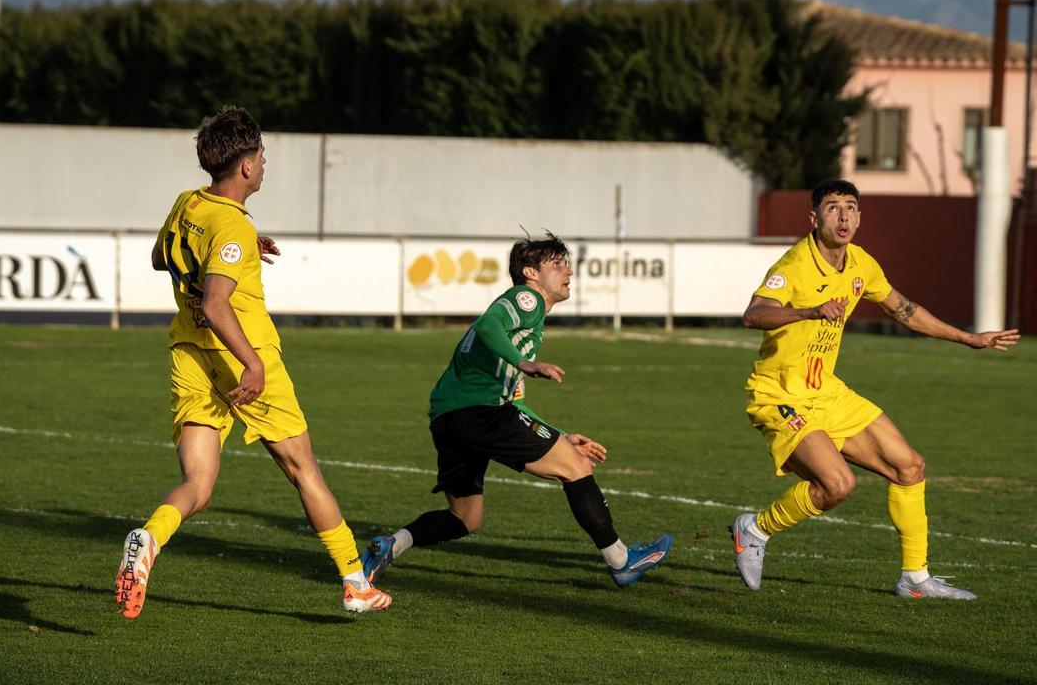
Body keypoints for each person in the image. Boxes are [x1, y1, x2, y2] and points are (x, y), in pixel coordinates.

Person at [113, 106, 390, 618]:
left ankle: (148, 539)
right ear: (244, 165)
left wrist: (232, 250)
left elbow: (162, 258)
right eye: (262, 155)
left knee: (198, 487)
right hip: (244, 358)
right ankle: (356, 582)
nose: (265, 163)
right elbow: (218, 304)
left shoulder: (188, 204)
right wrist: (253, 364)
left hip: (191, 356)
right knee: (303, 470)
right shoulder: (232, 228)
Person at [731, 178, 1020, 600]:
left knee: (909, 466)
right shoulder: (793, 267)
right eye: (833, 207)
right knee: (838, 486)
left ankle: (915, 580)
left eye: (851, 206)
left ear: (860, 216)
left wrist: (969, 338)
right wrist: (810, 310)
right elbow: (753, 315)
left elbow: (904, 310)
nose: (844, 215)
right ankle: (754, 529)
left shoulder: (861, 264)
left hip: (827, 392)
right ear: (814, 218)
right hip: (780, 396)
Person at [360, 232, 673, 588]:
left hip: (450, 418)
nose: (568, 270)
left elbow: (515, 404)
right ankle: (621, 561)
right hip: (481, 413)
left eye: (567, 262)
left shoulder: (530, 320)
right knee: (577, 466)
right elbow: (488, 325)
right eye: (556, 264)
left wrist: (559, 434)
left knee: (465, 518)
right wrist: (523, 362)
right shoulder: (527, 299)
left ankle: (391, 545)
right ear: (531, 272)